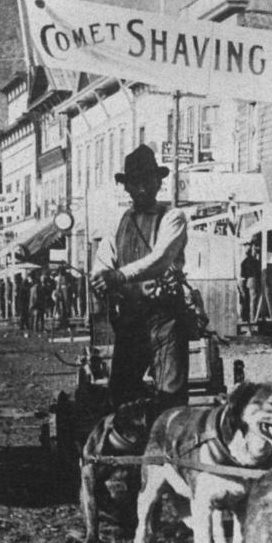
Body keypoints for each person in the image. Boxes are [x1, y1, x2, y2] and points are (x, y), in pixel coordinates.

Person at [90, 143, 189, 409]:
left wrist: (118, 276)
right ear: (127, 186)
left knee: (171, 396)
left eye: (147, 180)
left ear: (158, 182)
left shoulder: (173, 218)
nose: (142, 188)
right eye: (135, 182)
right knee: (122, 395)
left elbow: (159, 259)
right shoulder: (120, 223)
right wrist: (99, 277)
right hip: (130, 321)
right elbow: (102, 260)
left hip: (165, 318)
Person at [239, 241, 262, 325]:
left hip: (246, 282)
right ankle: (253, 317)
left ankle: (246, 317)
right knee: (253, 301)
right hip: (254, 281)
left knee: (246, 300)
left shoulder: (243, 262)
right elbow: (259, 272)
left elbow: (242, 275)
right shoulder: (256, 261)